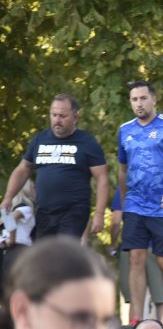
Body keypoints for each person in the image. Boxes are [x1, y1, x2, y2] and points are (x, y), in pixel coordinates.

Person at [118, 81, 163, 325]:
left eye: (142, 98)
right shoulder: (124, 130)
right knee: (136, 258)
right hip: (135, 205)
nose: (138, 103)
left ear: (153, 99)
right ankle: (136, 320)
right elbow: (122, 169)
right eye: (134, 99)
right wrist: (121, 204)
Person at [1, 94, 109, 238]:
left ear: (75, 118)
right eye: (54, 115)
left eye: (62, 116)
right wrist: (8, 197)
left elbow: (102, 178)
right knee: (45, 257)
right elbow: (23, 169)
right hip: (45, 211)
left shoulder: (87, 142)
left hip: (74, 211)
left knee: (63, 253)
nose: (57, 120)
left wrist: (99, 214)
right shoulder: (40, 139)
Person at [109, 186, 163, 321]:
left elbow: (115, 221)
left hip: (132, 246)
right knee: (161, 298)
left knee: (135, 299)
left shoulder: (125, 186)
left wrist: (112, 245)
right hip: (158, 245)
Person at [0, 179, 36, 287]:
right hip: (19, 250)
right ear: (28, 190)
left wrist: (3, 240)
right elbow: (11, 218)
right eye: (34, 187)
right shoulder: (26, 208)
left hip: (6, 251)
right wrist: (11, 238)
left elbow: (8, 217)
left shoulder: (12, 210)